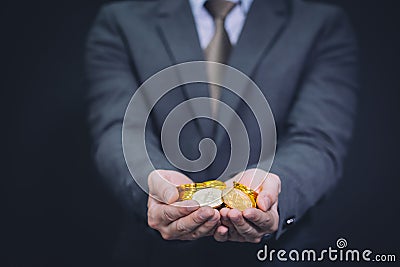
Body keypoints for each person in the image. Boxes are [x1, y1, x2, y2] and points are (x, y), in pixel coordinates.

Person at [85, 0, 358, 265]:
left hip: (279, 254)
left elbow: (318, 139)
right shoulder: (121, 20)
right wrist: (150, 181)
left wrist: (274, 191)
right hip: (155, 254)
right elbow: (119, 129)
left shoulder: (321, 24)